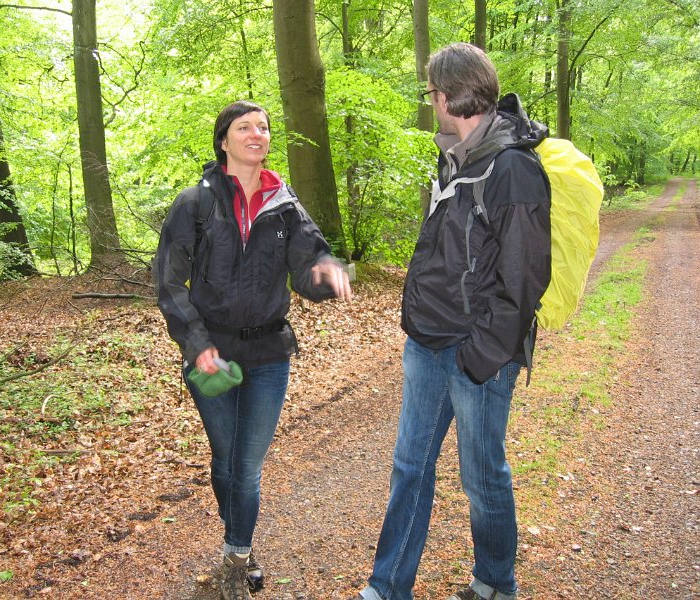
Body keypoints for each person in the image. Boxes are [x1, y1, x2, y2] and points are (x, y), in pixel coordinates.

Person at [351, 43, 551, 600]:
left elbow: (524, 278)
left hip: (477, 352)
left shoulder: (513, 168)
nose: (431, 102)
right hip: (428, 343)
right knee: (410, 468)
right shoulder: (455, 156)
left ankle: (495, 584)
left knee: (481, 477)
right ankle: (387, 588)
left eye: (432, 92)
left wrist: (479, 357)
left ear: (448, 95)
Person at [155, 100, 352, 600]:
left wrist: (328, 274)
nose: (256, 134)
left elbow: (309, 264)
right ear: (224, 140)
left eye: (262, 127)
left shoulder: (284, 203)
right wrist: (197, 344)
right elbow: (169, 282)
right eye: (244, 127)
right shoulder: (194, 203)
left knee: (246, 466)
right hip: (212, 355)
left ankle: (237, 556)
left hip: (268, 353)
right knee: (225, 460)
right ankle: (238, 538)